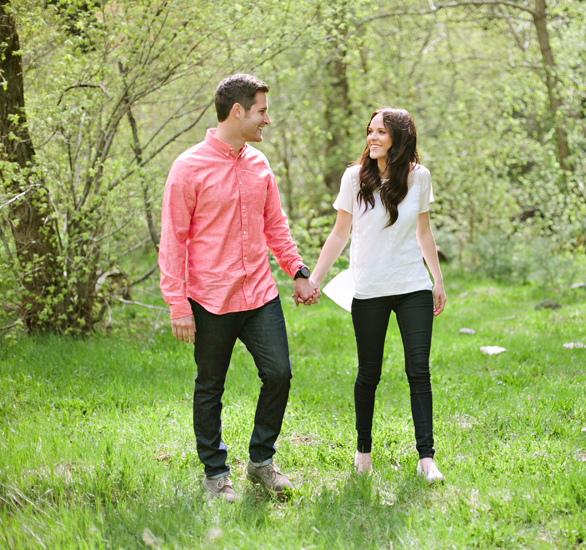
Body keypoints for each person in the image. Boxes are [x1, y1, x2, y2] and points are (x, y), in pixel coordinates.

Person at [158, 74, 319, 503]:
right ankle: (215, 473)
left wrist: (298, 270)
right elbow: (174, 241)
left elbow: (275, 226)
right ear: (237, 111)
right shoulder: (188, 167)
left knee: (279, 373)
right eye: (262, 111)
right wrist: (178, 304)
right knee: (211, 385)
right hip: (210, 298)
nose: (268, 119)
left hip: (259, 294)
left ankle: (261, 461)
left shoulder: (259, 164)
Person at [310, 108, 447, 483]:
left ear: (399, 138)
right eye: (370, 131)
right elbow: (340, 233)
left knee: (419, 371)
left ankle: (426, 459)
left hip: (412, 286)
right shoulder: (354, 178)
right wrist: (315, 278)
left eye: (381, 132)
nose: (372, 138)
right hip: (369, 289)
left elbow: (423, 232)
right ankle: (363, 452)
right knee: (368, 373)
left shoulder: (419, 177)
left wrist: (437, 280)